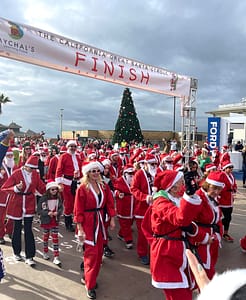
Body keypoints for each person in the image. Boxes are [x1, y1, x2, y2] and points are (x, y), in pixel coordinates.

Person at [73, 160, 116, 300]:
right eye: (93, 171)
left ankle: (88, 277)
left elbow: (109, 202)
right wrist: (80, 229)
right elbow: (78, 209)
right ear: (87, 173)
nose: (96, 173)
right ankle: (90, 285)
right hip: (87, 224)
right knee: (91, 256)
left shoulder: (103, 186)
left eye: (98, 170)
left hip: (100, 223)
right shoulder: (82, 188)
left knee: (98, 255)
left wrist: (112, 219)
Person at [1, 155, 46, 266]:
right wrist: (16, 188)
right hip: (17, 202)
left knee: (28, 229)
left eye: (33, 168)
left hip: (29, 202)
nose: (32, 170)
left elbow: (41, 187)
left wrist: (51, 188)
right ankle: (17, 253)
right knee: (16, 229)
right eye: (30, 168)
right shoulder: (16, 173)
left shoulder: (35, 174)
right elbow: (4, 188)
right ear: (25, 166)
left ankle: (30, 256)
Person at [131, 153, 158, 265]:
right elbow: (133, 189)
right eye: (152, 164)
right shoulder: (139, 174)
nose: (154, 166)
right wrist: (145, 197)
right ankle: (142, 253)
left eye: (155, 164)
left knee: (155, 233)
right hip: (141, 209)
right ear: (146, 164)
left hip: (155, 209)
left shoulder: (157, 173)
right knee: (142, 234)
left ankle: (153, 253)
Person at [55, 140, 82, 232]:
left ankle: (76, 220)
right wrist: (59, 183)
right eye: (71, 146)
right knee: (68, 203)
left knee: (77, 202)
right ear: (67, 147)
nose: (73, 148)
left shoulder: (78, 157)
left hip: (77, 182)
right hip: (67, 182)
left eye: (74, 146)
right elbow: (59, 170)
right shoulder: (63, 157)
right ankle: (68, 223)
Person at [37, 180, 63, 266]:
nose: (55, 191)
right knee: (45, 237)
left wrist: (58, 213)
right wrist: (47, 213)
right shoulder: (44, 198)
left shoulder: (58, 198)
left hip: (54, 220)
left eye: (56, 189)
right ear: (48, 190)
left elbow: (60, 208)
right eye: (52, 189)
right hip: (46, 220)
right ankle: (45, 252)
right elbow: (39, 210)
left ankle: (56, 256)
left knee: (55, 238)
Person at [114, 164, 135, 249]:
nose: (131, 175)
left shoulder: (134, 180)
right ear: (125, 173)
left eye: (133, 173)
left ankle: (120, 234)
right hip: (123, 205)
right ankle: (128, 240)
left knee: (129, 222)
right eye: (130, 173)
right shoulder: (119, 180)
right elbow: (114, 191)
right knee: (125, 224)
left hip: (132, 204)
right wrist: (118, 194)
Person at [0, 148, 18, 244]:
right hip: (2, 195)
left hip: (13, 195)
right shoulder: (1, 166)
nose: (10, 157)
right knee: (1, 216)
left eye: (11, 155)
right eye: (8, 155)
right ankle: (0, 235)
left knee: (12, 215)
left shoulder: (15, 166)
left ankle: (10, 231)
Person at [219, 161, 237, 242]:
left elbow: (234, 185)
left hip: (230, 200)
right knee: (226, 217)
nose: (231, 169)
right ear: (224, 168)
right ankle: (217, 228)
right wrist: (227, 189)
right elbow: (219, 187)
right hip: (223, 200)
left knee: (229, 218)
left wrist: (234, 189)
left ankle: (225, 233)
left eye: (231, 167)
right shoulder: (221, 176)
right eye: (229, 168)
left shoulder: (232, 176)